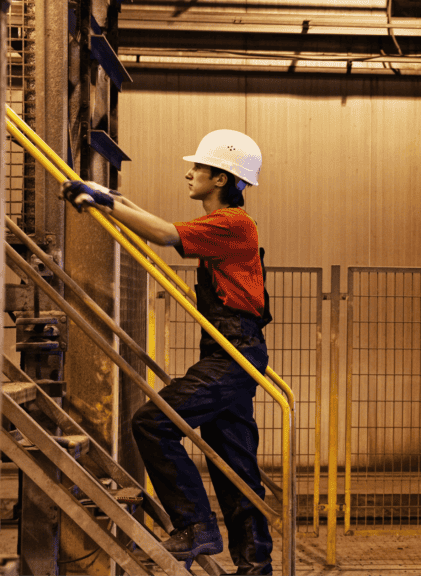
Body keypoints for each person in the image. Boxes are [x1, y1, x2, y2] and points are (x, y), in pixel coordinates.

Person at [61, 129, 274, 575]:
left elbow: (162, 233)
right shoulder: (224, 225)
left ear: (221, 177)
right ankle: (256, 568)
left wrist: (103, 202)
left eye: (197, 167)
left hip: (232, 353)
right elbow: (158, 221)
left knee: (154, 422)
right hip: (232, 349)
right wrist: (107, 194)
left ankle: (196, 526)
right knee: (236, 466)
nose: (188, 173)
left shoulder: (233, 223)